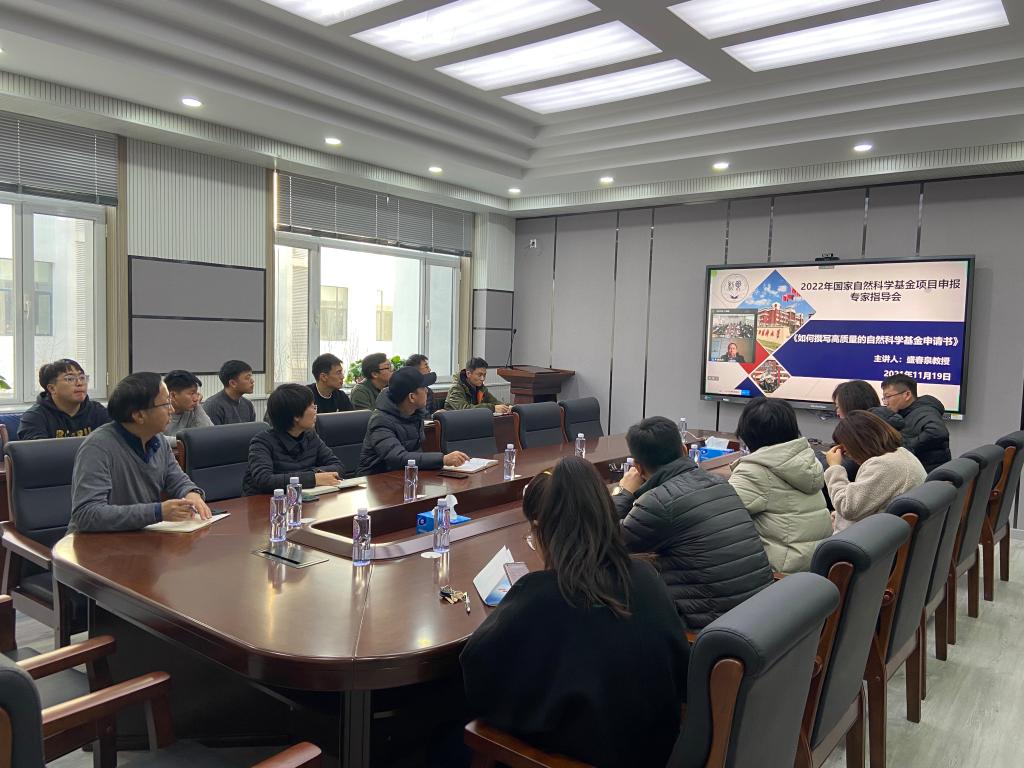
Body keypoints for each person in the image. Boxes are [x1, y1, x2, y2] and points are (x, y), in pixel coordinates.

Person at [461, 457, 688, 768]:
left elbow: (479, 678)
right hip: (659, 752)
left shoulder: (540, 594)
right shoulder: (645, 576)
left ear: (540, 529)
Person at [613, 416, 773, 628]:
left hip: (709, 627)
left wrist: (623, 493)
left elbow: (606, 540)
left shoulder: (659, 502)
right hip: (760, 615)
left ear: (638, 468)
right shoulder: (720, 483)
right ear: (684, 450)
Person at [69, 372, 212, 533]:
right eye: (166, 404)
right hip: (94, 543)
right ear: (139, 415)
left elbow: (178, 481)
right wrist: (157, 512)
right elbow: (87, 514)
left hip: (139, 537)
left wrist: (192, 493)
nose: (171, 410)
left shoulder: (158, 440)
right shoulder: (98, 447)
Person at [728, 398, 832, 573]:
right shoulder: (806, 460)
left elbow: (718, 516)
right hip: (813, 565)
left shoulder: (755, 471)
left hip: (780, 572)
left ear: (748, 432)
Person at [824, 410, 927, 532]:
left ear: (858, 444)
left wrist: (834, 467)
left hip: (870, 538)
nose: (848, 456)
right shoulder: (902, 454)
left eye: (846, 451)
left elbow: (847, 508)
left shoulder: (883, 465)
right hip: (889, 532)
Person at [357, 366, 467, 475]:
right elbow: (397, 458)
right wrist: (443, 459)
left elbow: (415, 454)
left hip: (405, 475)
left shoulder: (415, 414)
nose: (427, 390)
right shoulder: (380, 421)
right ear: (412, 397)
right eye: (423, 388)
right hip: (375, 479)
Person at [242, 383, 343, 496]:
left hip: (302, 500)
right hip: (267, 503)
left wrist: (313, 475)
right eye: (312, 407)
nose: (315, 411)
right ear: (296, 416)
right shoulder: (262, 442)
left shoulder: (311, 436)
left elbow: (337, 466)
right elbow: (265, 480)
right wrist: (313, 478)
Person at [17, 359, 109, 440]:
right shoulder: (34, 417)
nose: (80, 383)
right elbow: (37, 451)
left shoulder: (97, 411)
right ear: (52, 388)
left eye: (82, 377)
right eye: (70, 379)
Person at [880, 373, 951, 473]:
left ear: (907, 395)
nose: (885, 402)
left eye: (888, 397)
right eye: (884, 398)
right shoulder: (905, 413)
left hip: (927, 475)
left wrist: (906, 449)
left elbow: (938, 431)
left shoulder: (925, 411)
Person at [445, 357, 511, 414]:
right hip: (455, 422)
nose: (483, 379)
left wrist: (509, 407)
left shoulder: (481, 388)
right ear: (468, 374)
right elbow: (464, 409)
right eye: (479, 375)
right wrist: (492, 408)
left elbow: (495, 402)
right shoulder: (456, 388)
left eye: (484, 375)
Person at [203, 360, 256, 425]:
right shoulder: (213, 406)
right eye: (247, 378)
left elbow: (252, 430)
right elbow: (212, 431)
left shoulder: (248, 404)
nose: (252, 381)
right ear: (233, 383)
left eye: (251, 377)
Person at [163, 370, 213, 436]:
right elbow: (157, 439)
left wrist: (197, 406)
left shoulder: (192, 411)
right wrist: (183, 440)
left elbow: (210, 433)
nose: (196, 398)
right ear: (173, 395)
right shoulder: (159, 413)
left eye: (196, 393)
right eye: (192, 393)